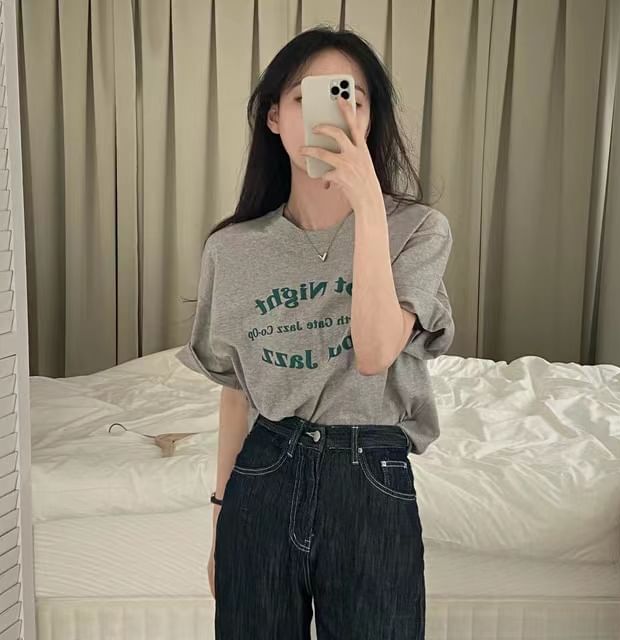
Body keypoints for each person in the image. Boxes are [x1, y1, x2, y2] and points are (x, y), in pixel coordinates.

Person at [176, 25, 454, 640]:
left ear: (370, 119)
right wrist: (221, 517)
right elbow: (238, 391)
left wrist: (368, 205)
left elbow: (376, 352)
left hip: (371, 478)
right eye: (306, 98)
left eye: (350, 97)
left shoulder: (418, 230)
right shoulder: (233, 250)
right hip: (264, 474)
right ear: (275, 117)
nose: (330, 113)